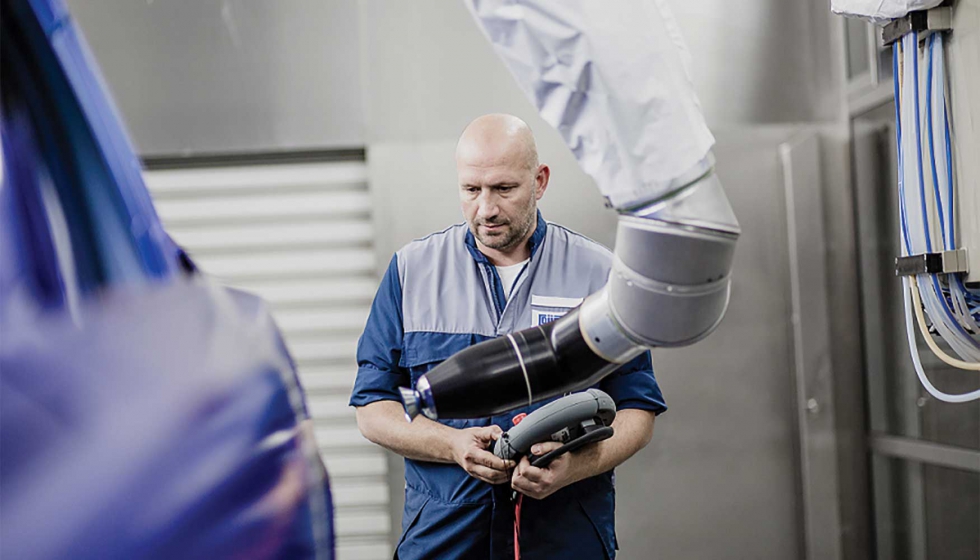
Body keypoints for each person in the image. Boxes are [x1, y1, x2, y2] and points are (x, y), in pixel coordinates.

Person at [350, 113, 666, 560]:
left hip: (564, 541)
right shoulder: (411, 272)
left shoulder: (600, 276)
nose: (486, 209)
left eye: (503, 189)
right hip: (443, 542)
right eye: (471, 190)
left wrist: (571, 468)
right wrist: (453, 445)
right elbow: (373, 408)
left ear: (539, 181)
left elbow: (638, 410)